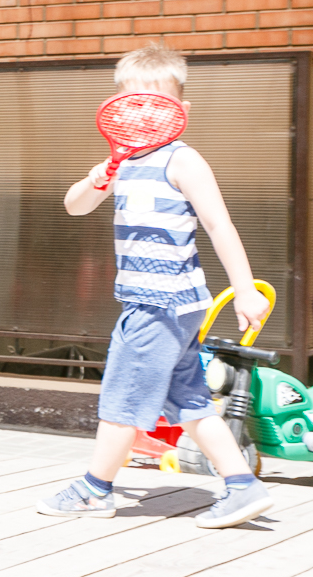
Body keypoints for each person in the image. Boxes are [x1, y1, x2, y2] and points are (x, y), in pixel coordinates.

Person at [38, 44, 273, 528]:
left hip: (159, 304)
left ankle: (94, 490)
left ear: (180, 111)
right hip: (167, 306)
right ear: (116, 109)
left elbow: (220, 225)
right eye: (133, 104)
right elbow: (74, 206)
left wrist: (245, 289)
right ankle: (242, 486)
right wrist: (97, 177)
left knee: (122, 398)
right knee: (189, 400)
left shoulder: (183, 160)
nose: (143, 115)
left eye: (156, 105)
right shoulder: (123, 161)